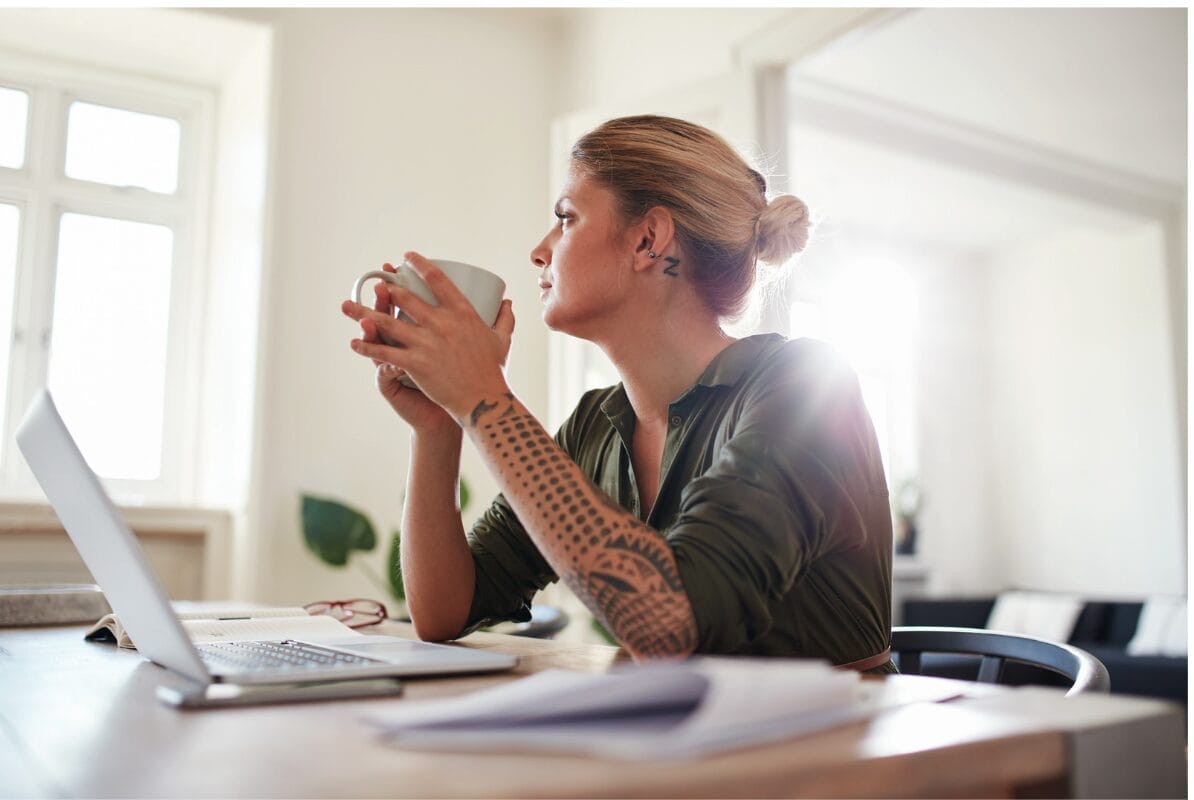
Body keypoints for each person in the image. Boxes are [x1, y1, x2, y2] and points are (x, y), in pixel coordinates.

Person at [341, 115, 894, 671]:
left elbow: (670, 620)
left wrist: (484, 399)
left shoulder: (806, 386)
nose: (539, 250)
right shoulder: (596, 425)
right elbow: (444, 612)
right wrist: (438, 424)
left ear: (649, 240)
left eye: (566, 219)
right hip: (690, 742)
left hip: (831, 745)